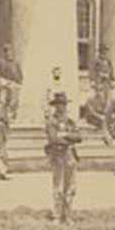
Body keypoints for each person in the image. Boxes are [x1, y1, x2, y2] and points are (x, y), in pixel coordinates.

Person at [44, 92, 83, 223]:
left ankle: (67, 215)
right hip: (57, 155)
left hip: (70, 155)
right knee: (58, 187)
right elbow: (53, 139)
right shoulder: (51, 121)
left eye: (63, 104)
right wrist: (68, 138)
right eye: (59, 104)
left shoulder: (70, 121)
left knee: (71, 187)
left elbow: (79, 137)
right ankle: (57, 215)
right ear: (55, 106)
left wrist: (65, 135)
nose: (61, 107)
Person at [0, 43, 23, 123]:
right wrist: (2, 83)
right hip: (4, 82)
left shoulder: (16, 63)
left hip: (14, 84)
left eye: (10, 51)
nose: (9, 53)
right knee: (3, 99)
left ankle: (12, 115)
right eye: (6, 51)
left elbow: (20, 75)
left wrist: (18, 82)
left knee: (15, 97)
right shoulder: (0, 62)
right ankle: (2, 116)